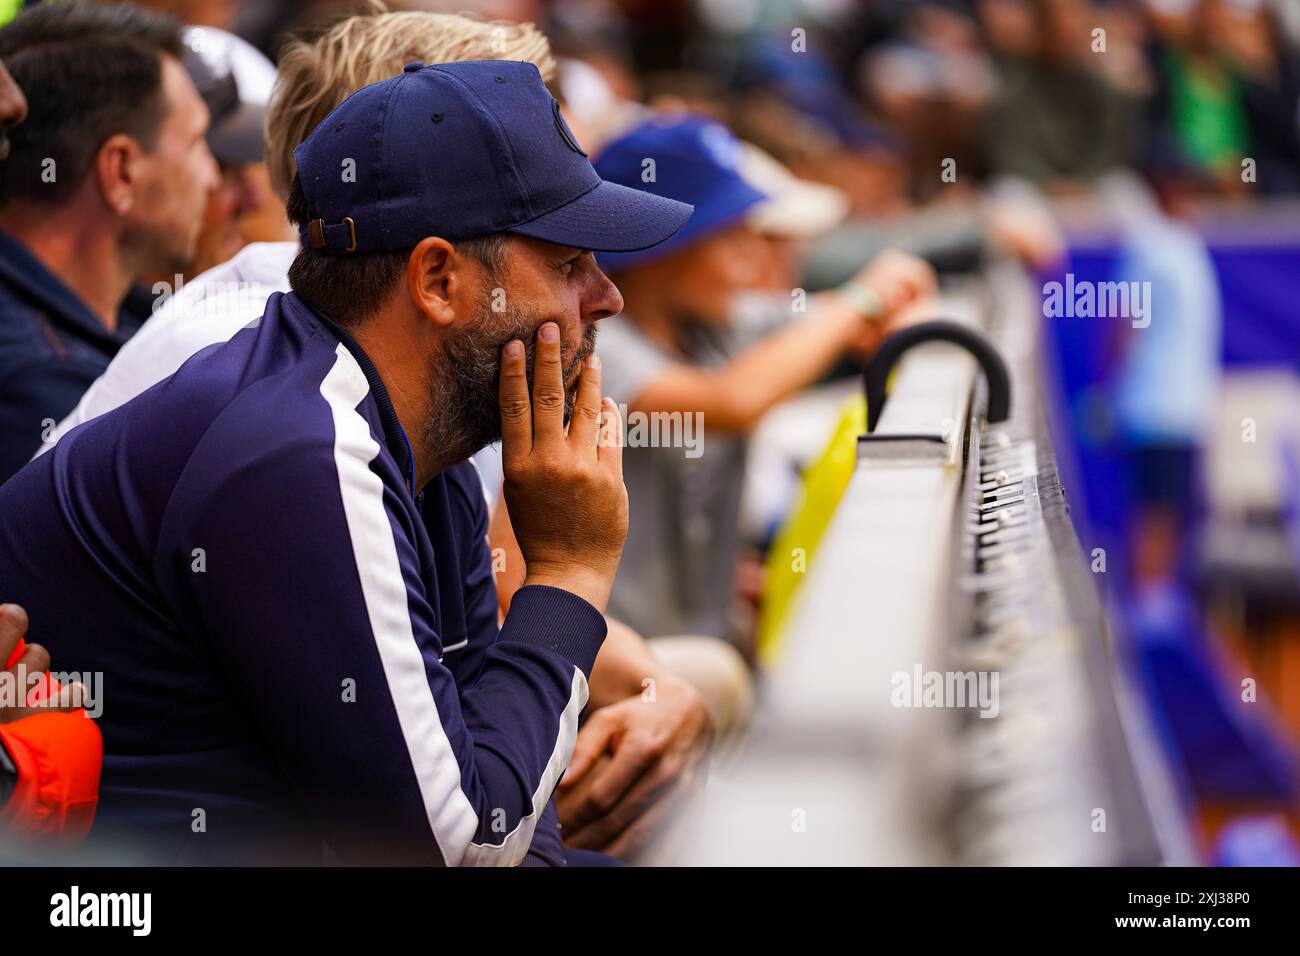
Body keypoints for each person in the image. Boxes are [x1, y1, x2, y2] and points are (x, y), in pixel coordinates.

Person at [39, 7, 723, 862]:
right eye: (568, 263)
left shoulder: (421, 434)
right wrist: (571, 572)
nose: (607, 298)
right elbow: (461, 847)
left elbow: (496, 789)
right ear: (437, 278)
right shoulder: (294, 443)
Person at [591, 114, 935, 646]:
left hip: (701, 643)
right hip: (617, 664)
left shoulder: (715, 324)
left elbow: (853, 325)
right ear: (659, 247)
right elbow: (729, 401)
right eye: (730, 239)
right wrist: (861, 299)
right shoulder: (594, 344)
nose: (751, 263)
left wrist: (885, 305)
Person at [0, 0, 218, 482]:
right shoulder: (48, 390)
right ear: (121, 172)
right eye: (196, 142)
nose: (212, 177)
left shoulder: (127, 326)